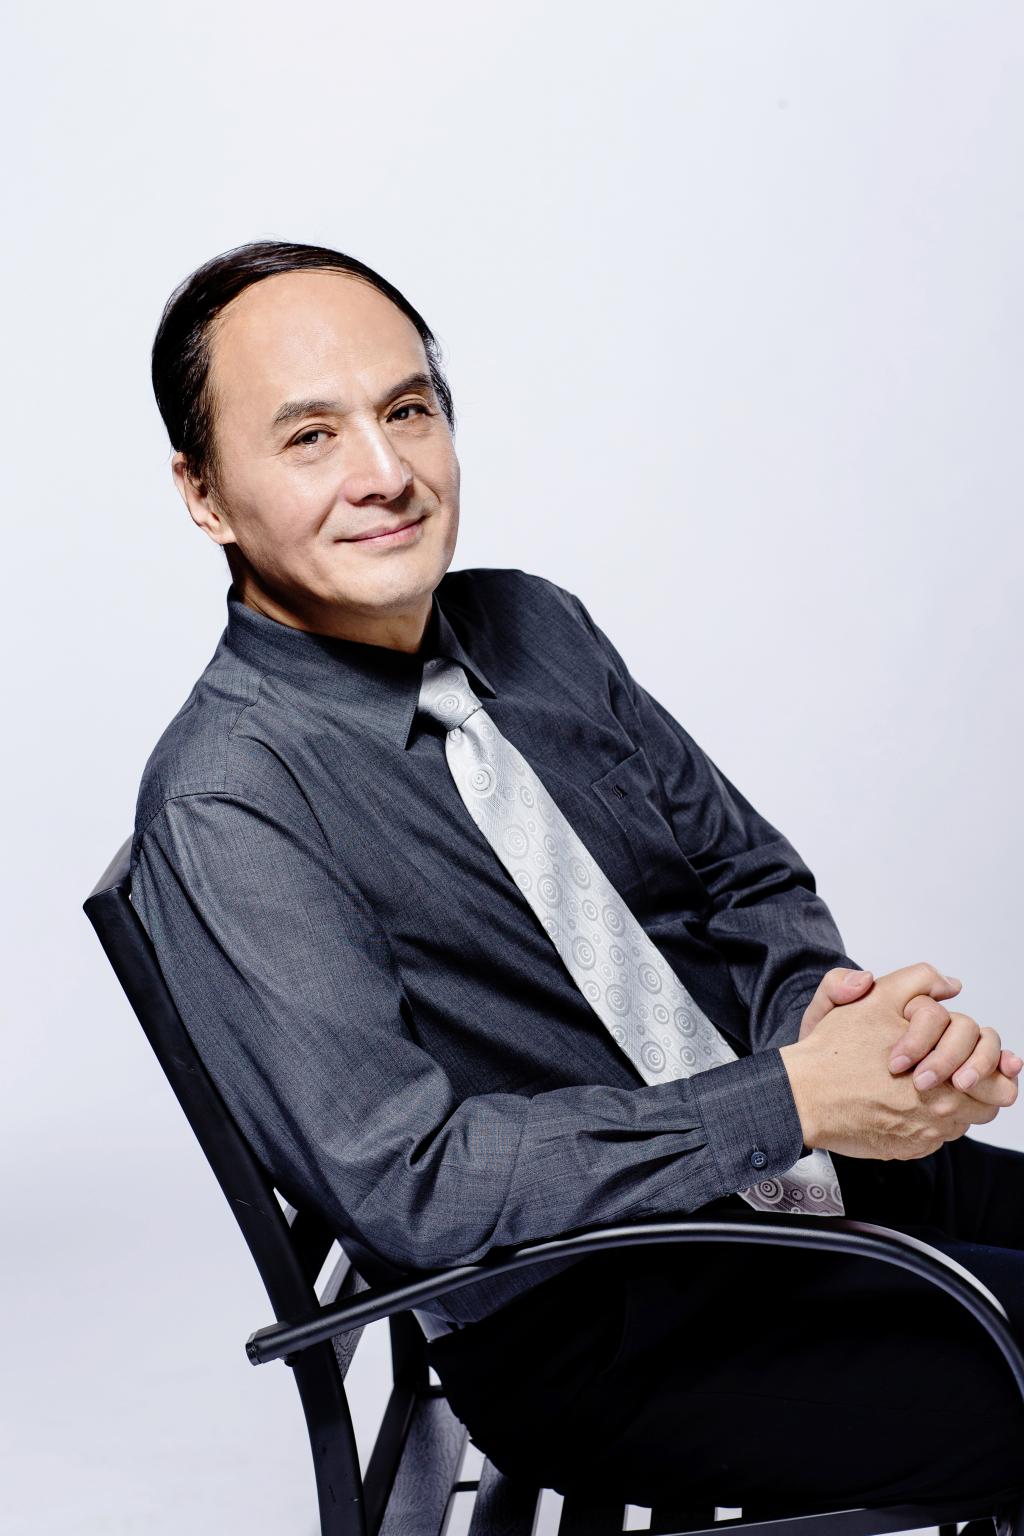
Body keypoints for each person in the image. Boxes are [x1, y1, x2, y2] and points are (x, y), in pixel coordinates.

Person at [130, 238, 1024, 1512]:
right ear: (205, 492)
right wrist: (785, 1102)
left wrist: (829, 1030)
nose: (384, 473)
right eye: (310, 437)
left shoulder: (534, 627)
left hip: (788, 1179)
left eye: (407, 411)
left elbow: (743, 878)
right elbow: (409, 1181)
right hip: (600, 1322)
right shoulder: (232, 799)